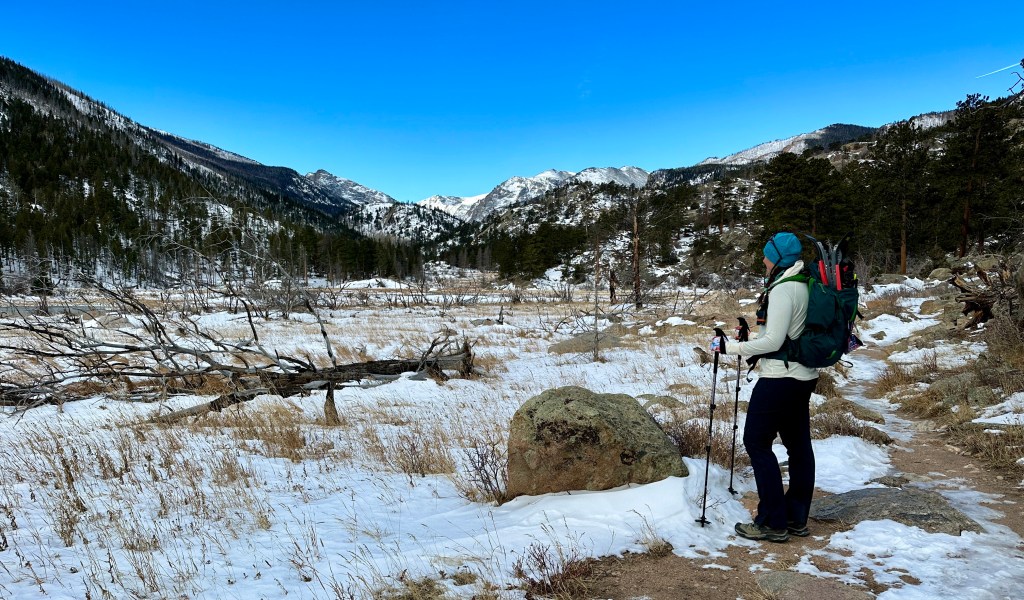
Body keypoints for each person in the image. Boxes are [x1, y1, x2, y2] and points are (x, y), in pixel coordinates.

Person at [710, 231, 818, 543]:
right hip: (802, 376)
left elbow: (773, 341)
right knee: (798, 446)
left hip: (781, 378)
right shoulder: (803, 283)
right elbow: (785, 334)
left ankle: (772, 521)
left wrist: (729, 348)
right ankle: (795, 517)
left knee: (756, 442)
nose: (763, 258)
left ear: (778, 258)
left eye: (767, 254)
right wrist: (750, 340)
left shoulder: (785, 288)